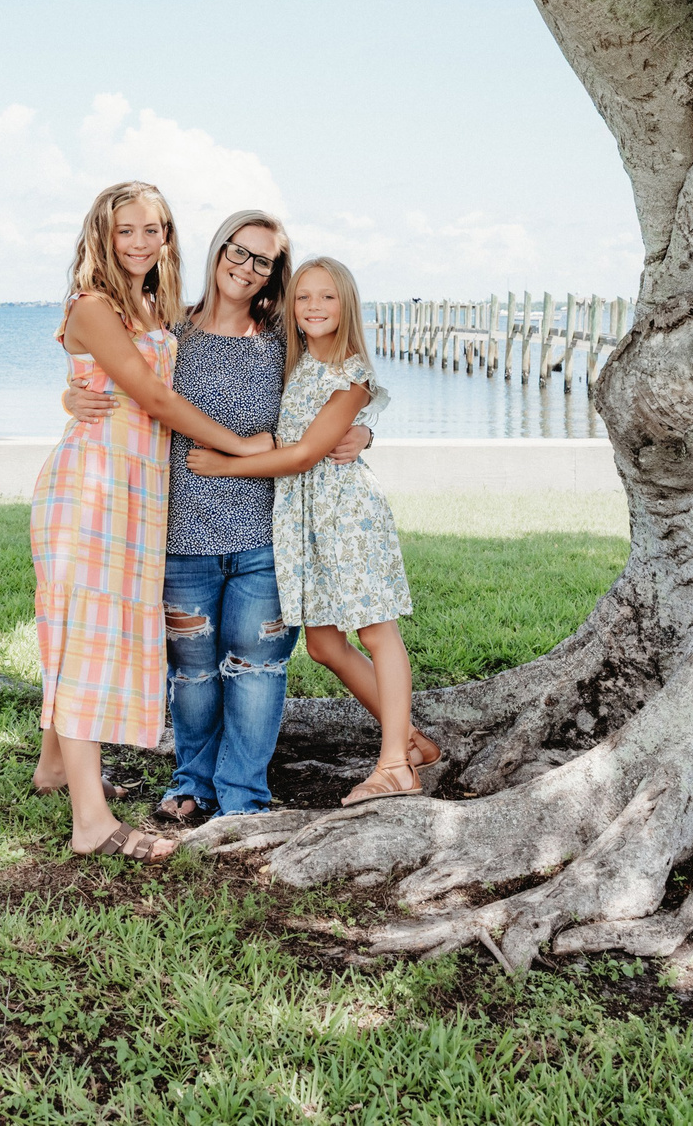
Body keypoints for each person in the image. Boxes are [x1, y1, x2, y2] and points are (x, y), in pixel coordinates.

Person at [65, 210, 370, 824]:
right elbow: (120, 385)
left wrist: (363, 433)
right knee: (194, 670)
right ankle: (192, 783)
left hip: (269, 537)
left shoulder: (284, 344)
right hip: (181, 535)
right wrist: (71, 397)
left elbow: (339, 390)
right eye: (238, 250)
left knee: (257, 667)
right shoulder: (169, 331)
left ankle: (243, 798)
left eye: (263, 260)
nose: (246, 267)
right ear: (216, 249)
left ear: (274, 273)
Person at [33, 181, 275, 860]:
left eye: (155, 229)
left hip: (137, 493)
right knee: (84, 636)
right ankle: (92, 822)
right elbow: (153, 397)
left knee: (91, 629)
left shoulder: (151, 304)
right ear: (101, 236)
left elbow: (116, 384)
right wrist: (243, 448)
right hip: (92, 489)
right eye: (127, 230)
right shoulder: (93, 304)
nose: (142, 242)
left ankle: (55, 763)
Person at [186, 256, 433, 807]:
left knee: (376, 629)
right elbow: (283, 437)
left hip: (345, 515)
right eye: (303, 298)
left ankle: (395, 763)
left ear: (347, 303)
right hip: (302, 520)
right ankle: (411, 739)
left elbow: (302, 455)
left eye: (327, 297)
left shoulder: (350, 373)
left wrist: (225, 467)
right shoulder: (294, 363)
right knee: (323, 645)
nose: (314, 307)